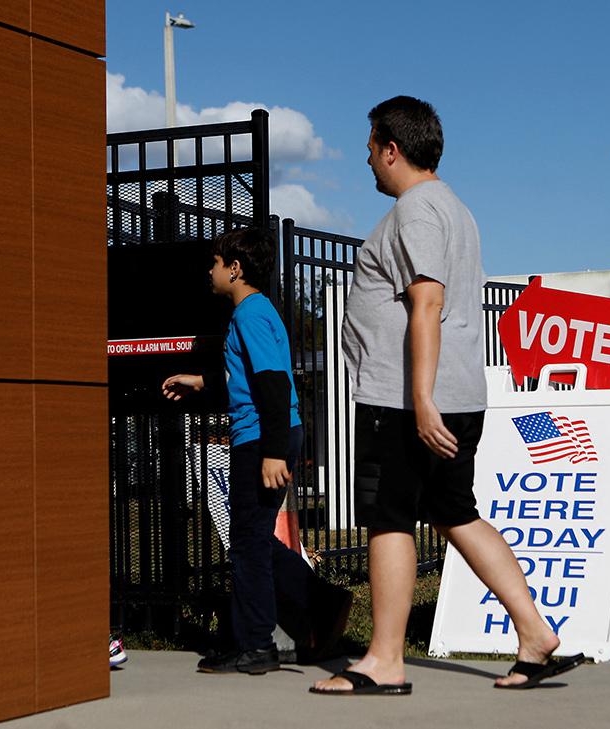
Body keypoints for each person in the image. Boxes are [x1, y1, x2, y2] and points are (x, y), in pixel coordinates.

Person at [310, 96, 581, 696]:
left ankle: (383, 660)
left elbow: (426, 300)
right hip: (448, 392)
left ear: (392, 149)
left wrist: (421, 397)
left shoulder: (416, 210)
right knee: (455, 510)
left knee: (389, 517)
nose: (367, 162)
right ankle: (535, 633)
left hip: (406, 400)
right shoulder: (455, 208)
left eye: (370, 150)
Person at [164, 226, 352, 674]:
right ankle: (322, 604)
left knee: (246, 544)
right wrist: (201, 382)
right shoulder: (253, 313)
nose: (209, 271)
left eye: (214, 263)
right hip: (266, 435)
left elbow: (272, 382)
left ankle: (257, 646)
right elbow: (248, 379)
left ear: (235, 268)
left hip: (263, 439)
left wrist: (271, 452)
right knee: (253, 540)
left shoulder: (249, 313)